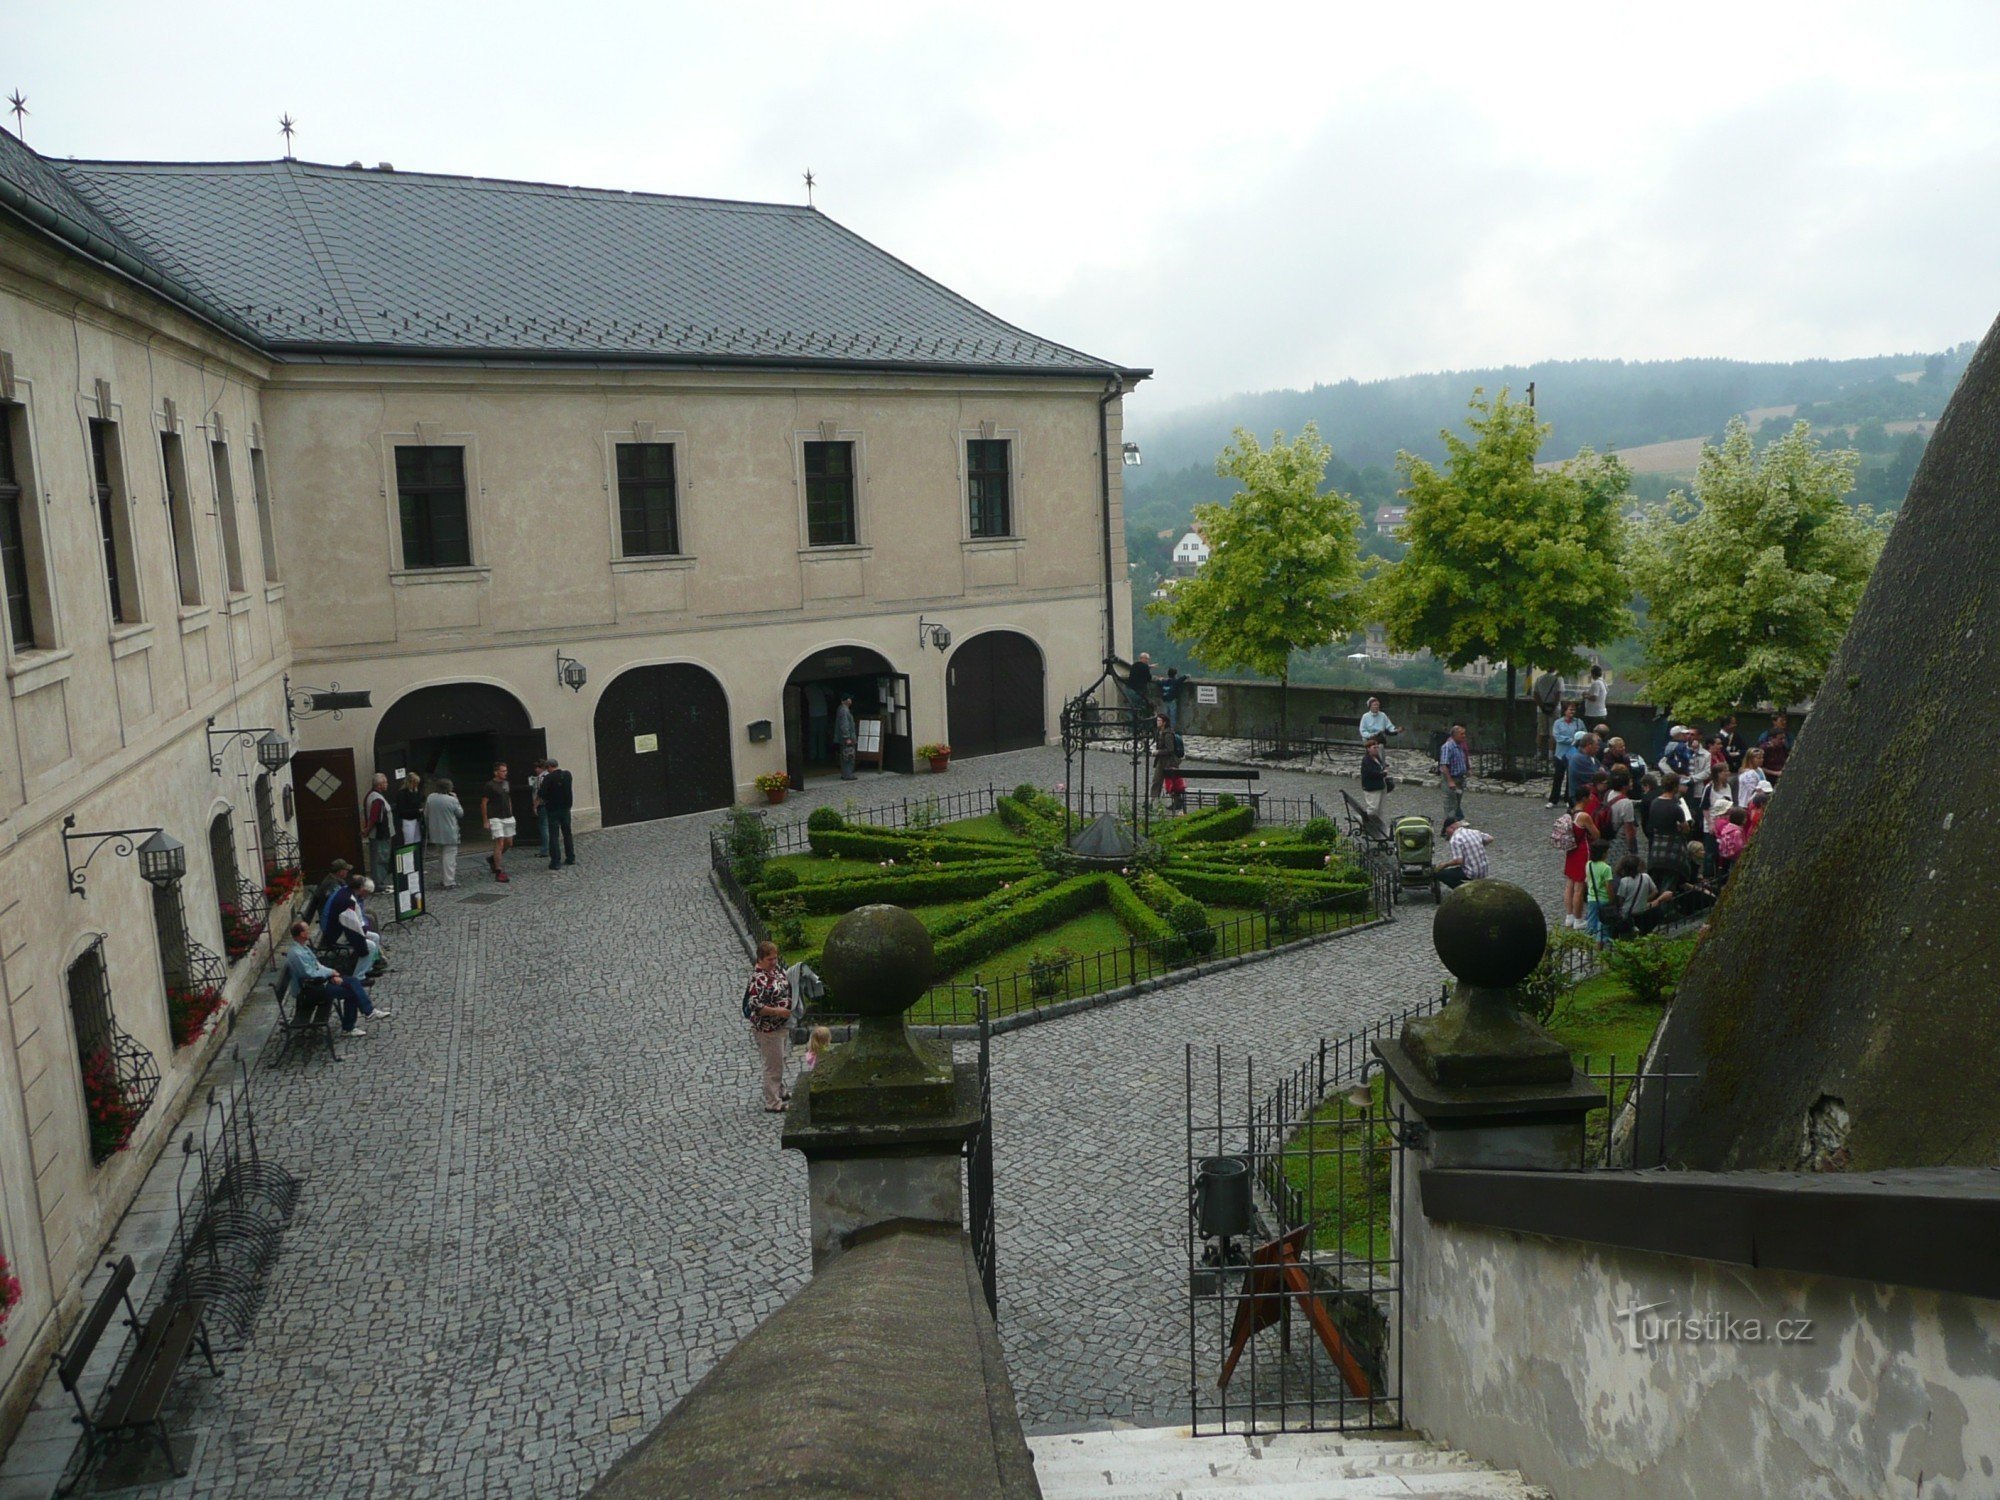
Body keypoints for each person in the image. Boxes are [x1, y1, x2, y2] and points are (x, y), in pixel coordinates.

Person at [276, 919, 386, 1036]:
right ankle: (349, 1027)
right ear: (302, 934)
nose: (309, 931)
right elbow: (310, 974)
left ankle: (369, 1011)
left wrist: (331, 974)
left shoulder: (303, 948)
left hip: (318, 982)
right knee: (351, 993)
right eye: (307, 929)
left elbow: (317, 966)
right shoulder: (297, 953)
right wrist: (330, 974)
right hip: (311, 989)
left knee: (352, 980)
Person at [742, 940, 794, 1112]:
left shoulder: (774, 971)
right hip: (768, 1028)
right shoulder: (758, 979)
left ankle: (779, 1090)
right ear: (760, 959)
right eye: (770, 959)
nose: (774, 962)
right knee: (772, 1065)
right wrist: (778, 1011)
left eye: (775, 958)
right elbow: (755, 1006)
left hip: (779, 1026)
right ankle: (773, 1102)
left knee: (779, 1059)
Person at [1644, 773, 1693, 885]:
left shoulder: (1654, 802)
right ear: (1675, 787)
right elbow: (1686, 829)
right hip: (1672, 850)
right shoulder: (1676, 807)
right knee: (1668, 886)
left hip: (1656, 847)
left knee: (1656, 883)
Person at [1561, 799, 1602, 929]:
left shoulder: (1570, 813)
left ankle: (1569, 916)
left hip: (1571, 850)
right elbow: (1597, 834)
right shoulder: (1584, 816)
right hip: (1582, 852)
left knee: (1569, 885)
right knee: (1579, 888)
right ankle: (1578, 919)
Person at [1611, 855, 1676, 937]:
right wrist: (1643, 899)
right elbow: (1655, 891)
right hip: (1642, 911)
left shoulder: (1624, 881)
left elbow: (1621, 900)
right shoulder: (1645, 877)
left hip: (1629, 914)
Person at [424, 778, 464, 889]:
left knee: (441, 856)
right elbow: (460, 813)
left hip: (435, 831)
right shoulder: (452, 800)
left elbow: (426, 814)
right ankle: (449, 881)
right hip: (450, 832)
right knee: (449, 858)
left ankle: (443, 879)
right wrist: (456, 799)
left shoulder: (430, 798)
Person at [1435, 815, 1493, 889]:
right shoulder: (1474, 832)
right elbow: (1490, 838)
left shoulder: (1455, 839)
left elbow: (1458, 861)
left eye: (1446, 831)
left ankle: (1464, 889)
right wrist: (1477, 845)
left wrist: (1445, 864)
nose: (1447, 835)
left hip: (1472, 873)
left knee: (1440, 874)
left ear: (1450, 828)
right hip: (1483, 870)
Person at [480, 762, 515, 881]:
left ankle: (493, 859)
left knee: (509, 842)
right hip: (495, 817)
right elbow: (484, 802)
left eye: (506, 770)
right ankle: (498, 870)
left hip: (507, 817)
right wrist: (485, 820)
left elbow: (508, 797)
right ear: (496, 772)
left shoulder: (506, 784)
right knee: (499, 842)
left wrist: (510, 811)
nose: (506, 773)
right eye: (503, 771)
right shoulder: (490, 785)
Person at [540, 756, 576, 868]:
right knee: (567, 834)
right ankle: (571, 857)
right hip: (566, 808)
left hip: (553, 809)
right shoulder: (567, 775)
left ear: (550, 767)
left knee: (554, 836)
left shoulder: (548, 778)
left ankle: (555, 861)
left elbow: (542, 793)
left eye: (547, 768)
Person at [362, 772, 395, 887]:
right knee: (381, 859)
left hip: (379, 833)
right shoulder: (377, 799)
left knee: (379, 858)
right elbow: (374, 818)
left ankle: (380, 881)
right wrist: (367, 829)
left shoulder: (371, 795)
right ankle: (379, 883)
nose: (387, 784)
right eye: (385, 782)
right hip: (380, 834)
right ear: (379, 785)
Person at [1548, 702, 1583, 806]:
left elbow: (1583, 734)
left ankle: (1569, 799)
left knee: (1570, 778)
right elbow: (1557, 737)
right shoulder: (1558, 723)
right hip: (1560, 753)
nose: (1572, 712)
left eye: (1574, 710)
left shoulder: (1579, 722)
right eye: (1570, 710)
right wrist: (1572, 740)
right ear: (1565, 711)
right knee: (1558, 777)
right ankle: (1553, 800)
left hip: (1573, 754)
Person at [1582, 840, 1616, 943]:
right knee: (1603, 925)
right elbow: (1608, 887)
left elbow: (1587, 881)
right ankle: (1601, 943)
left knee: (1591, 923)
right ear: (1603, 853)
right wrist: (1612, 901)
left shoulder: (1589, 864)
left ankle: (1586, 944)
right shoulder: (1606, 868)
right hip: (1604, 900)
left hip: (1592, 898)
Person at [1603, 766, 1640, 855]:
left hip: (1608, 838)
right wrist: (1632, 849)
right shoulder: (1626, 803)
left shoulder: (1608, 793)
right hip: (1621, 841)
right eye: (1630, 781)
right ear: (1624, 786)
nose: (1632, 783)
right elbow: (1629, 829)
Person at [1149, 713, 1182, 806]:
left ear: (1164, 722)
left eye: (1159, 721)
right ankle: (1152, 801)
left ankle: (1177, 800)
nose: (1157, 722)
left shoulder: (1168, 734)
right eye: (1157, 720)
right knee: (1156, 780)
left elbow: (1170, 749)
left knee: (1171, 782)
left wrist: (1157, 752)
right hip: (1161, 760)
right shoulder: (1159, 732)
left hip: (1170, 761)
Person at [1438, 724, 1469, 824]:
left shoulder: (1459, 745)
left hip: (1460, 778)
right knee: (1450, 802)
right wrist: (1450, 780)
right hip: (1451, 778)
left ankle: (1457, 819)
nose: (1464, 736)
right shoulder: (1448, 747)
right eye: (1462, 734)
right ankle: (1450, 824)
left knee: (1457, 801)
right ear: (1455, 735)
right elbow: (1444, 764)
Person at [1564, 733, 1601, 807]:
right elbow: (1596, 777)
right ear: (1589, 745)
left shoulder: (1592, 757)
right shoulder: (1579, 759)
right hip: (1581, 800)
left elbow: (1603, 770)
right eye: (1596, 745)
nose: (1598, 747)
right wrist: (1600, 772)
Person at [1715, 806, 1750, 880]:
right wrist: (1746, 847)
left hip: (1729, 855)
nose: (1746, 819)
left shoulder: (1728, 828)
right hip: (1737, 857)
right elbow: (1739, 847)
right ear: (1740, 819)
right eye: (1745, 818)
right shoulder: (1737, 832)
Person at [1360, 737, 1390, 822]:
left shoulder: (1376, 757)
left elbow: (1380, 767)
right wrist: (1383, 773)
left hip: (1380, 786)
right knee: (1373, 808)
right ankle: (1366, 824)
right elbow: (1371, 772)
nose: (1376, 749)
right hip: (1372, 787)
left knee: (1380, 809)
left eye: (1377, 747)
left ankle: (1377, 825)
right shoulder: (1366, 760)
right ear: (1368, 749)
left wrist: (1384, 769)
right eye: (1374, 748)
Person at [394, 772, 425, 848]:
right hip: (407, 820)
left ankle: (415, 857)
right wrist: (418, 811)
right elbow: (402, 810)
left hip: (416, 819)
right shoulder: (402, 794)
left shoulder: (416, 792)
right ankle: (408, 859)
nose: (416, 785)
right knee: (409, 841)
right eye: (415, 783)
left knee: (417, 840)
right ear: (410, 782)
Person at [834, 695, 858, 781]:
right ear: (844, 700)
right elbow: (844, 725)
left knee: (846, 755)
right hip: (847, 737)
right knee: (848, 756)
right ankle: (848, 774)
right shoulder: (844, 710)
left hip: (847, 736)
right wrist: (847, 737)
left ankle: (846, 774)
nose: (850, 700)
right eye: (849, 698)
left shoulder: (843, 709)